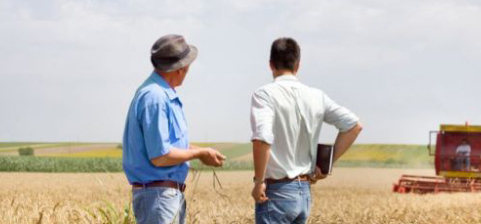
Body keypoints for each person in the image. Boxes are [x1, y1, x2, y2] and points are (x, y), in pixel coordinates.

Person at [250, 37, 363, 224]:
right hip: (304, 192)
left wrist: (259, 182)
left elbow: (262, 139)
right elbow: (354, 126)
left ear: (271, 64)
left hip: (277, 192)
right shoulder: (317, 96)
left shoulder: (264, 95)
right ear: (298, 65)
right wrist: (326, 165)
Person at [122, 34, 226, 224]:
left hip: (161, 197)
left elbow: (166, 146)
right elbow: (160, 156)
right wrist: (199, 153)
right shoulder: (156, 98)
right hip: (158, 198)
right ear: (180, 68)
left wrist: (202, 153)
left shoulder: (159, 94)